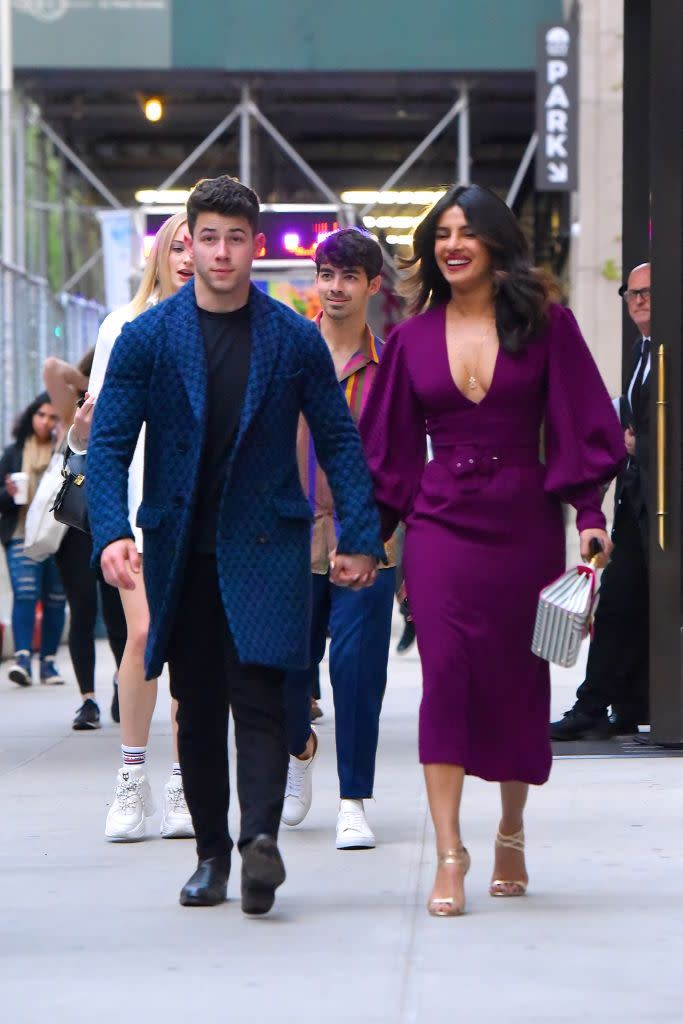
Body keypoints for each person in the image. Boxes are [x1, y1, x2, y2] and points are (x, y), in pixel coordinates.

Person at [86, 175, 383, 915]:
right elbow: (110, 446)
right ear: (186, 242)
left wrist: (360, 536)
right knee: (196, 700)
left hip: (268, 543)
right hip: (182, 545)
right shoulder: (147, 338)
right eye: (208, 237)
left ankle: (259, 844)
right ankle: (211, 856)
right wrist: (110, 533)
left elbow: (340, 440)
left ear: (256, 246)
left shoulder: (292, 336)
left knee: (261, 695)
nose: (221, 253)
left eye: (236, 238)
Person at [359, 183, 625, 916]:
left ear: (494, 243)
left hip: (524, 526)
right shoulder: (411, 338)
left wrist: (587, 513)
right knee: (443, 676)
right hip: (441, 524)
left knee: (516, 682)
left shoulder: (547, 325)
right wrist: (371, 534)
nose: (451, 244)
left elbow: (579, 422)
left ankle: (509, 830)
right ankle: (450, 854)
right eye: (440, 233)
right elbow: (387, 449)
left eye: (465, 232)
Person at [70, 211, 195, 839]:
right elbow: (101, 437)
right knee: (144, 634)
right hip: (136, 510)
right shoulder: (123, 326)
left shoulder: (217, 325)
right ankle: (131, 776)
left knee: (187, 644)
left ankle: (182, 781)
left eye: (198, 243)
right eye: (177, 245)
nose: (189, 256)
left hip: (198, 511)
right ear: (159, 256)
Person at [281, 227, 396, 850]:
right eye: (327, 275)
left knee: (356, 671)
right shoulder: (289, 353)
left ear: (372, 286)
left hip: (367, 541)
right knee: (286, 671)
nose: (336, 288)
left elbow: (405, 455)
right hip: (292, 540)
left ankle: (354, 798)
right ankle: (299, 749)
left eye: (349, 276)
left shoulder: (391, 366)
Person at [551, 262, 651, 740]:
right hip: (636, 505)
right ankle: (615, 706)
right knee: (619, 605)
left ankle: (606, 705)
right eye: (630, 293)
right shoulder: (642, 351)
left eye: (648, 292)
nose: (639, 302)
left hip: (658, 506)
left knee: (627, 605)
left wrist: (639, 445)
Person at [43, 350, 128, 730]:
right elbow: (50, 368)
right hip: (77, 525)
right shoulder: (78, 410)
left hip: (115, 521)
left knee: (119, 616)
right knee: (82, 611)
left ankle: (120, 684)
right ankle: (87, 700)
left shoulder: (131, 402)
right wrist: (89, 386)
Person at [0, 394, 66, 686]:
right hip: (21, 534)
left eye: (53, 417)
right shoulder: (14, 453)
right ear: (31, 416)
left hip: (56, 536)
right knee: (26, 593)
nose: (46, 422)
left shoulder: (64, 451)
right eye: (42, 415)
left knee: (55, 599)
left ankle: (48, 664)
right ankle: (23, 659)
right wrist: (10, 492)